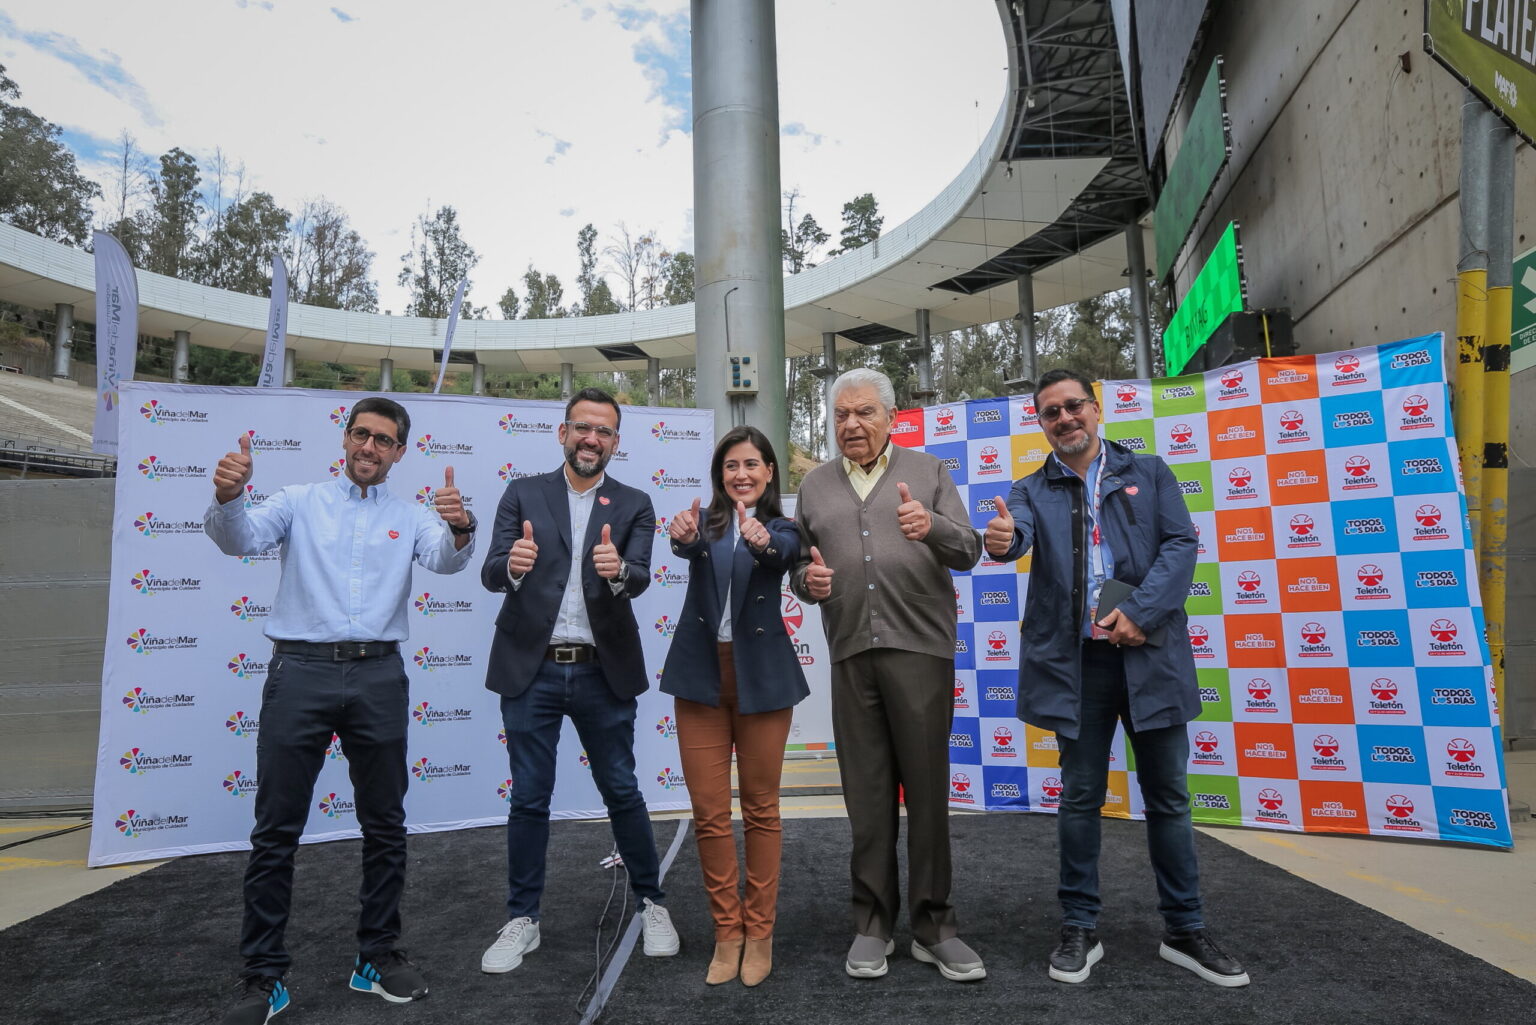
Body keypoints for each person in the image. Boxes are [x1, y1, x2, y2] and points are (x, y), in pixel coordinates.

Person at [205, 396, 477, 1024]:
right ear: (345, 438)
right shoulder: (299, 501)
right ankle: (262, 977)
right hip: (298, 673)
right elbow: (238, 539)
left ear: (399, 453)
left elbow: (447, 559)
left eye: (384, 441)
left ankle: (376, 957)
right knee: (275, 832)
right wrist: (228, 497)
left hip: (380, 674)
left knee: (385, 826)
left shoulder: (411, 516)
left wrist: (461, 526)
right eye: (362, 435)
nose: (369, 448)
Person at [983, 367, 1250, 987]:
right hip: (1079, 668)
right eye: (1051, 412)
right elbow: (1012, 538)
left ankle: (1185, 930)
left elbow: (1181, 545)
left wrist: (1139, 613)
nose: (1065, 418)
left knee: (1169, 798)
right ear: (1042, 424)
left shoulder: (1149, 472)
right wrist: (999, 541)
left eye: (1074, 405)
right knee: (1078, 799)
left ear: (1095, 409)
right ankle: (1079, 926)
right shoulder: (1029, 489)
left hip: (1150, 656)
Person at [790, 368, 986, 983]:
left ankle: (934, 928)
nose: (851, 425)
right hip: (850, 653)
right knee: (866, 796)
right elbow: (801, 565)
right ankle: (872, 924)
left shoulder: (928, 472)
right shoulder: (814, 485)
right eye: (841, 415)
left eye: (864, 413)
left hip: (921, 652)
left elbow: (971, 548)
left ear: (891, 416)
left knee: (926, 794)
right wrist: (807, 582)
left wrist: (933, 527)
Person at [478, 386, 679, 974]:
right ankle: (522, 919)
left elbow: (638, 575)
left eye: (604, 431)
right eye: (582, 428)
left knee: (622, 789)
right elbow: (492, 569)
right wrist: (511, 567)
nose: (592, 439)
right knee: (529, 798)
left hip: (603, 671)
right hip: (530, 669)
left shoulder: (636, 503)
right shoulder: (522, 492)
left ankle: (652, 904)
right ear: (563, 433)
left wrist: (618, 574)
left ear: (616, 442)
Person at [660, 426, 809, 987]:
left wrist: (763, 542)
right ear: (719, 474)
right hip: (700, 679)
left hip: (763, 681)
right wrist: (681, 535)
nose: (740, 473)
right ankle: (728, 932)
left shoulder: (782, 525)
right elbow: (688, 545)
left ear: (770, 471)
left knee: (762, 809)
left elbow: (785, 553)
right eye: (730, 465)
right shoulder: (703, 522)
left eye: (752, 463)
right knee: (709, 813)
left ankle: (760, 930)